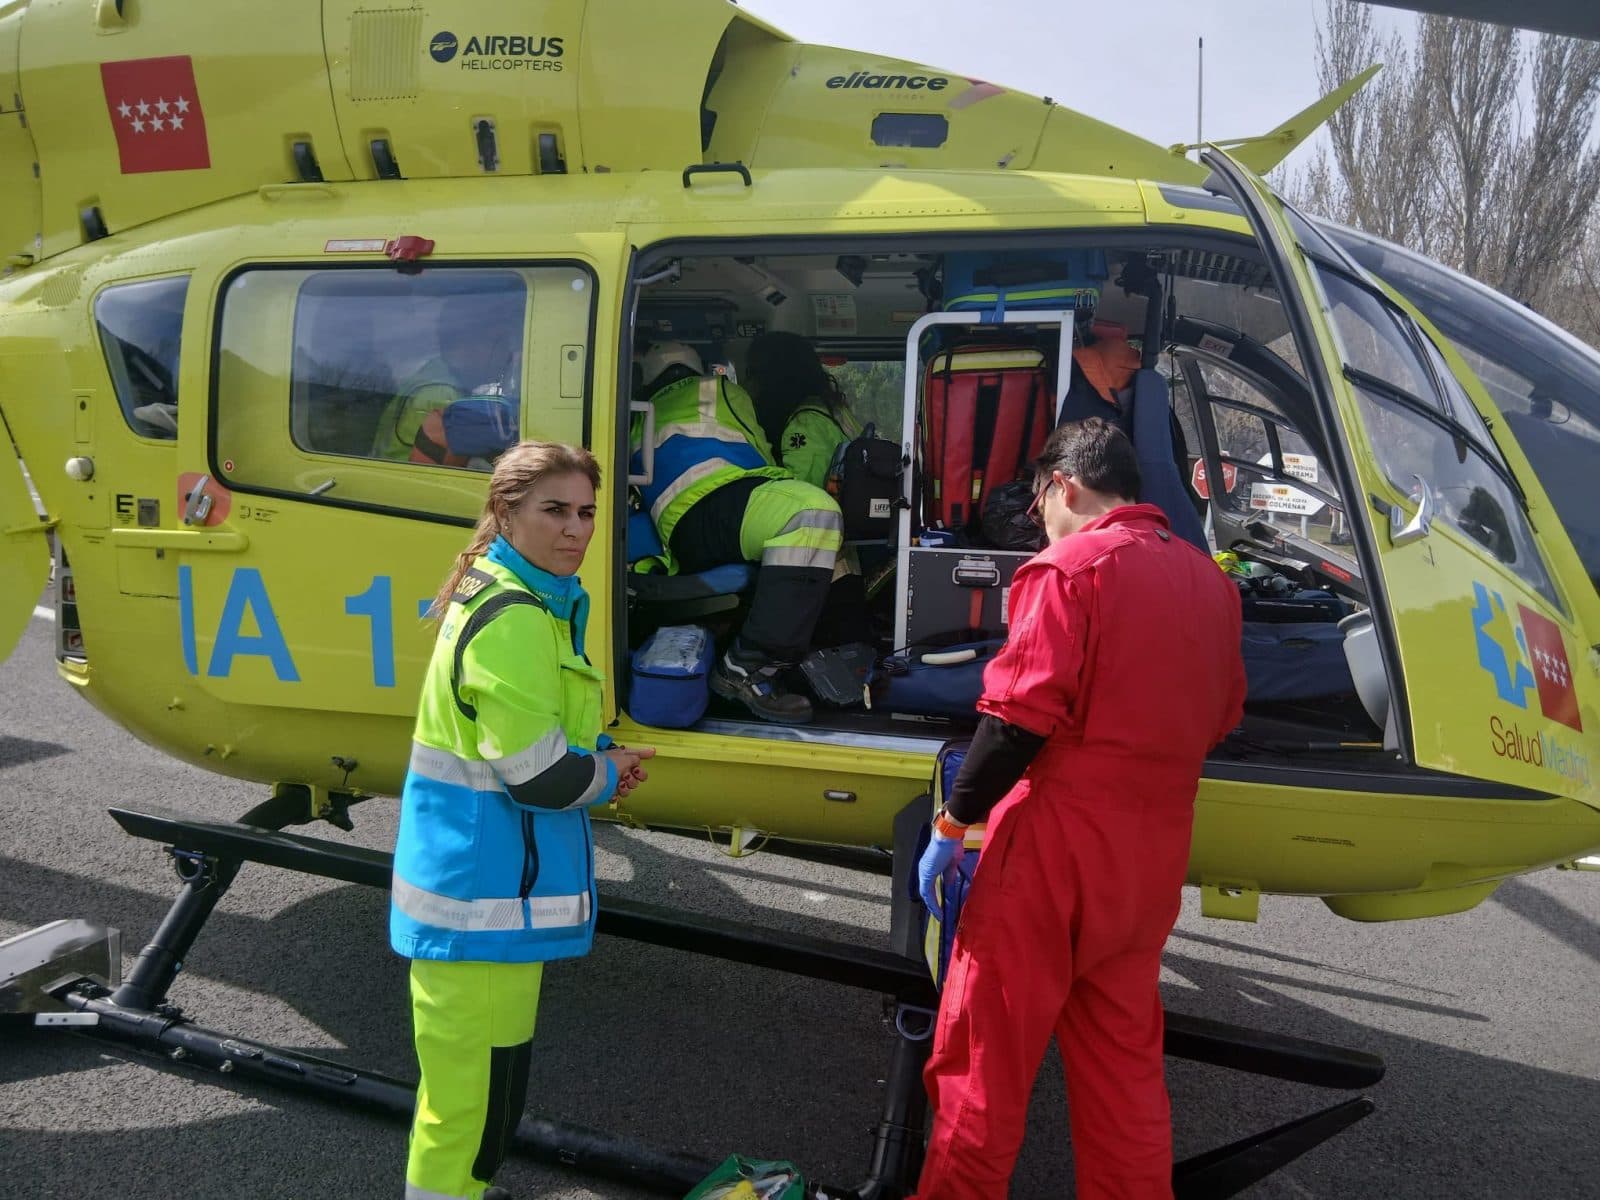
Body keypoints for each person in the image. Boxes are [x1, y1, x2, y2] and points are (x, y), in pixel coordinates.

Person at [911, 417, 1247, 1200]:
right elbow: (1222, 717)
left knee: (981, 1071)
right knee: (1122, 1075)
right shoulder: (1212, 587)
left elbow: (1017, 718)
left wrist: (955, 823)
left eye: (1040, 508)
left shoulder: (1069, 570)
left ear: (1062, 485)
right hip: (1150, 858)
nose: (1041, 526)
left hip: (1054, 852)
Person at [391, 440, 653, 1200]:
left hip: (495, 901)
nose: (576, 529)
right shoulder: (513, 616)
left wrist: (597, 753)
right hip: (475, 905)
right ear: (506, 512)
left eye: (587, 513)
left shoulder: (531, 601)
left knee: (488, 1107)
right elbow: (539, 777)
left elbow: (534, 737)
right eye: (555, 510)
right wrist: (604, 774)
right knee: (467, 1115)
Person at [630, 340, 844, 724]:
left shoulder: (631, 414)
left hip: (682, 526)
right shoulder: (722, 390)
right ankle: (746, 667)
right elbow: (759, 447)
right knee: (811, 514)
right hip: (716, 504)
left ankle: (779, 657)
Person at [743, 331, 873, 650]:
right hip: (849, 560)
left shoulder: (803, 425)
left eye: (753, 375)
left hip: (822, 568)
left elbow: (800, 499)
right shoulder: (834, 411)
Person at [372, 290, 524, 462]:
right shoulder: (442, 394)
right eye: (501, 342)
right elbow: (441, 470)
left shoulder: (436, 371)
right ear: (473, 343)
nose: (508, 353)